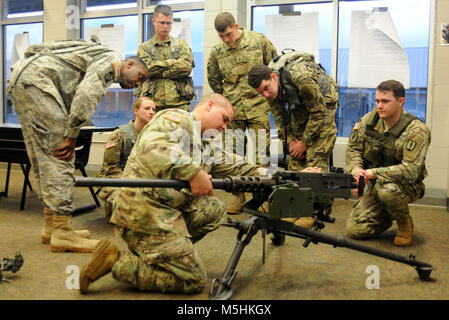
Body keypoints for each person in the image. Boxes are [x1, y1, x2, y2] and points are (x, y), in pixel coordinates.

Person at [79, 93, 272, 294]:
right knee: (194, 281)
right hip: (141, 209)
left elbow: (238, 167)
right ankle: (116, 261)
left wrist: (274, 175)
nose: (225, 127)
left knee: (214, 209)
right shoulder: (177, 119)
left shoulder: (204, 143)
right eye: (224, 119)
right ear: (210, 105)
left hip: (165, 207)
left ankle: (165, 253)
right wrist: (193, 172)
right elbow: (151, 147)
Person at [6, 38, 149, 253]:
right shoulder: (112, 61)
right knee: (61, 155)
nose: (138, 84)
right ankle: (63, 231)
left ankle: (51, 225)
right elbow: (87, 94)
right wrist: (72, 134)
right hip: (38, 82)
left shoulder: (97, 52)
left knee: (45, 156)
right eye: (140, 77)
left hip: (25, 78)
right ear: (129, 65)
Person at [248, 51, 339, 227]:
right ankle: (292, 204)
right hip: (301, 106)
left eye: (266, 88)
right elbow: (279, 117)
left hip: (323, 104)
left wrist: (304, 143)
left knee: (314, 158)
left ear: (273, 77)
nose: (265, 94)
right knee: (296, 161)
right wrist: (291, 141)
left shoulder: (301, 77)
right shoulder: (269, 92)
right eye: (260, 92)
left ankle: (313, 211)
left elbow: (318, 112)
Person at [345, 80, 431, 247]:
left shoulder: (416, 130)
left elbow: (411, 170)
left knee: (386, 190)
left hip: (405, 186)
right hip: (374, 183)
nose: (379, 106)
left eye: (385, 101)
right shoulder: (368, 121)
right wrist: (356, 169)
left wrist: (372, 173)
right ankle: (387, 212)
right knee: (355, 231)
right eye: (377, 101)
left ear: (401, 102)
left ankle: (404, 222)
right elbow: (354, 149)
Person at [207, 12, 278, 215]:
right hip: (233, 113)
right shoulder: (218, 51)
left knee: (260, 158)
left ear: (236, 26)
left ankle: (263, 200)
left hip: (258, 109)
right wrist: (226, 102)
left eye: (228, 34)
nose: (226, 39)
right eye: (221, 36)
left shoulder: (258, 41)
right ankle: (239, 197)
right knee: (232, 159)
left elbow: (273, 67)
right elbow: (214, 79)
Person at [96, 96, 156, 222]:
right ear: (136, 111)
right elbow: (110, 169)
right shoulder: (120, 134)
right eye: (147, 108)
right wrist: (134, 180)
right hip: (113, 179)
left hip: (140, 179)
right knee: (131, 198)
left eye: (153, 109)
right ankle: (114, 210)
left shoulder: (153, 135)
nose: (151, 112)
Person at [136, 4, 195, 111]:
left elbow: (186, 67)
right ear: (154, 21)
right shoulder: (144, 48)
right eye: (162, 23)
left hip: (179, 103)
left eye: (168, 23)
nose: (165, 27)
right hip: (152, 105)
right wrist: (172, 62)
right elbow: (146, 70)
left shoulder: (181, 45)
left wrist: (160, 71)